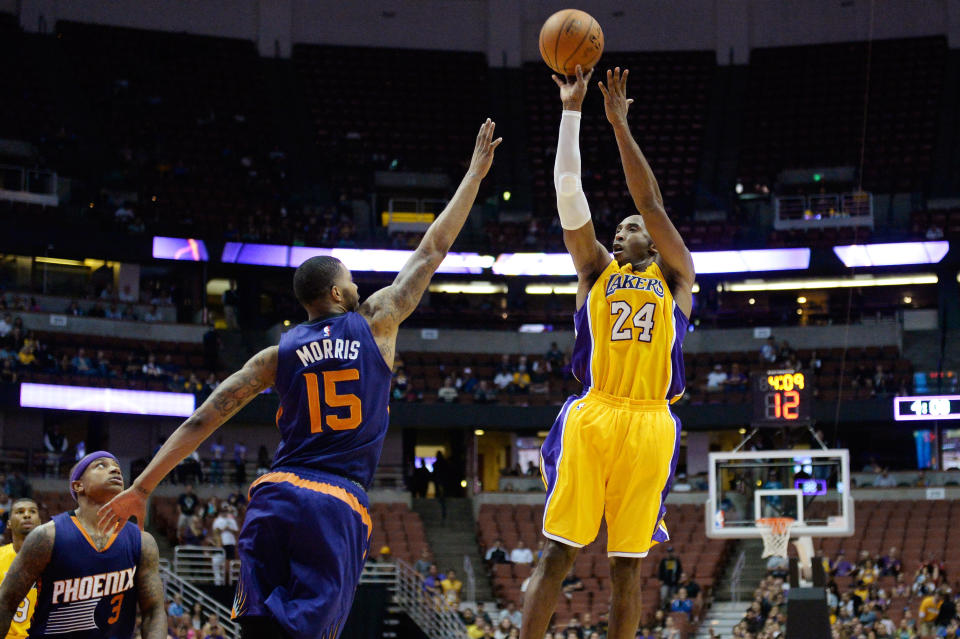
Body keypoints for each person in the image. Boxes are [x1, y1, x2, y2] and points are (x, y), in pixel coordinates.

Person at [97, 120, 501, 639]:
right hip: (335, 499)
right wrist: (473, 175)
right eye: (349, 280)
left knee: (257, 629)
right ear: (335, 294)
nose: (356, 285)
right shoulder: (376, 321)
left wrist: (143, 485)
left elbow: (204, 417)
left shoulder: (274, 356)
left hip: (273, 494)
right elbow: (431, 251)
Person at [521, 66, 695, 639]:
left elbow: (650, 201)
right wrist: (572, 112)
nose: (620, 233)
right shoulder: (595, 269)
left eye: (629, 228)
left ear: (649, 235)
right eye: (616, 229)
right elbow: (569, 197)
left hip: (650, 422)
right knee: (558, 554)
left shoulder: (676, 278)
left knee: (628, 569)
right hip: (595, 412)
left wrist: (619, 124)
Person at [0, 451, 165, 638]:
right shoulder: (47, 536)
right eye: (101, 465)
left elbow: (153, 611)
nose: (114, 470)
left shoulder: (142, 541)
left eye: (117, 468)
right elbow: (6, 603)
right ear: (78, 485)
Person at [0, 498, 40, 638]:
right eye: (20, 512)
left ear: (40, 523)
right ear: (9, 523)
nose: (27, 515)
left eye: (32, 511)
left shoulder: (55, 561)